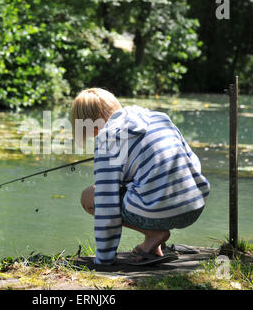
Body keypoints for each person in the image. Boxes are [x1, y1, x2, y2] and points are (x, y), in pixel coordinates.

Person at [71, 88, 210, 265]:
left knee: (89, 196)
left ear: (90, 125)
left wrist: (104, 259)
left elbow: (106, 203)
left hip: (163, 211)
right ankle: (153, 242)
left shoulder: (107, 139)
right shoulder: (159, 118)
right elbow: (190, 161)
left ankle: (154, 233)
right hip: (194, 206)